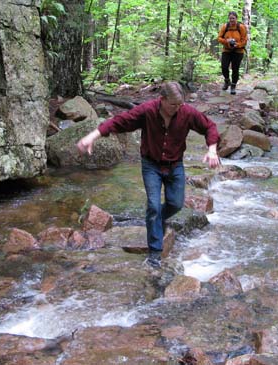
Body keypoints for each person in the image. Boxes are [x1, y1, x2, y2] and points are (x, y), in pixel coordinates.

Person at [76, 82, 221, 269]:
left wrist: (212, 150)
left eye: (180, 105)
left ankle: (156, 219)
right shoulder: (147, 111)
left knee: (176, 204)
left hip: (175, 164)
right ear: (162, 100)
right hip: (151, 165)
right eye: (173, 105)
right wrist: (92, 136)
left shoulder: (186, 112)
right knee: (153, 205)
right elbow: (120, 121)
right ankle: (155, 252)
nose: (177, 109)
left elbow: (209, 126)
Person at [218, 11, 248, 95]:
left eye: (233, 18)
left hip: (238, 51)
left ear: (236, 18)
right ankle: (227, 81)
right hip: (226, 50)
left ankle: (233, 86)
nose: (231, 20)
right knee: (224, 67)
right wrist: (227, 41)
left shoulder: (241, 27)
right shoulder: (225, 26)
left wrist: (237, 45)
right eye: (230, 18)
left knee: (235, 69)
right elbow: (219, 38)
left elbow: (245, 40)